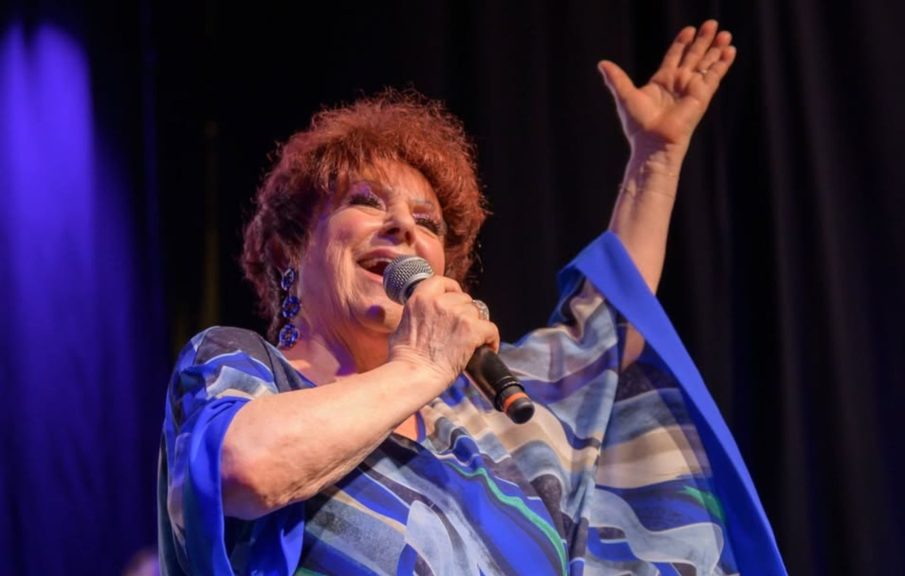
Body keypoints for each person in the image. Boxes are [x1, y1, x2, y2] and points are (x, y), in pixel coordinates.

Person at [158, 20, 786, 575]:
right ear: (288, 251)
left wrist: (656, 161)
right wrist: (419, 366)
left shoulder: (483, 419)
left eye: (426, 222)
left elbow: (605, 325)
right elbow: (241, 471)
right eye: (365, 202)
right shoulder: (242, 367)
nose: (402, 227)